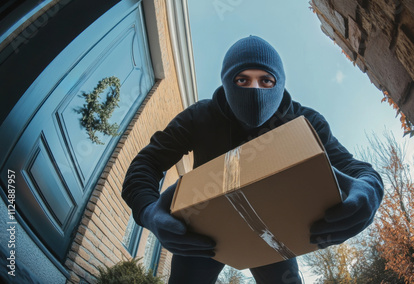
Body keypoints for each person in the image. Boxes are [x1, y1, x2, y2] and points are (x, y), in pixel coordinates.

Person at [122, 36, 383, 284]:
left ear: (279, 84)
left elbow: (357, 170)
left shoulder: (305, 123)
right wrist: (149, 212)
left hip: (272, 231)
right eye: (242, 80)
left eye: (266, 81)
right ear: (226, 82)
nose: (255, 91)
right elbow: (146, 165)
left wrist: (369, 192)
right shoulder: (200, 117)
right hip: (202, 234)